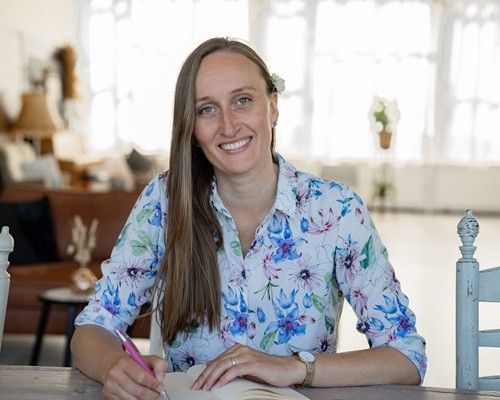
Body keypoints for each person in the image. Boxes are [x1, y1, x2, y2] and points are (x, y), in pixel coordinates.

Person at [71, 37, 426, 400]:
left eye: (242, 100)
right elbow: (91, 329)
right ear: (191, 129)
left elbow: (406, 357)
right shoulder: (164, 201)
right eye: (207, 109)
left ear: (272, 106)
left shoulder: (337, 209)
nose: (228, 126)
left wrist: (296, 368)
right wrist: (113, 366)